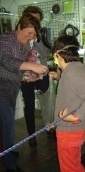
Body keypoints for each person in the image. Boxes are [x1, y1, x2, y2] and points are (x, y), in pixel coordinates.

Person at [0, 13, 47, 172]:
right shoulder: (6, 39)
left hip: (10, 93)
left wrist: (28, 78)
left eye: (33, 35)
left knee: (6, 128)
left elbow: (16, 72)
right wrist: (31, 66)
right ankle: (11, 166)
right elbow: (6, 60)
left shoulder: (20, 46)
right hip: (1, 91)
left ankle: (8, 155)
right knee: (8, 127)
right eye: (29, 33)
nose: (31, 37)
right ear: (19, 27)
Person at [51, 34, 85, 172]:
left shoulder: (72, 73)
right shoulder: (74, 68)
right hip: (72, 130)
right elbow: (73, 83)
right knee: (74, 166)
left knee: (69, 169)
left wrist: (77, 116)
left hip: (69, 131)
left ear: (58, 54)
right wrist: (58, 76)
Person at [20, 6, 51, 148]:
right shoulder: (21, 34)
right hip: (26, 74)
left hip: (42, 72)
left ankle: (50, 127)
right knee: (29, 105)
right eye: (32, 19)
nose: (35, 22)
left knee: (47, 101)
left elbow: (46, 53)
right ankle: (32, 135)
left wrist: (38, 39)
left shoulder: (44, 33)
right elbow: (20, 54)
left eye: (37, 19)